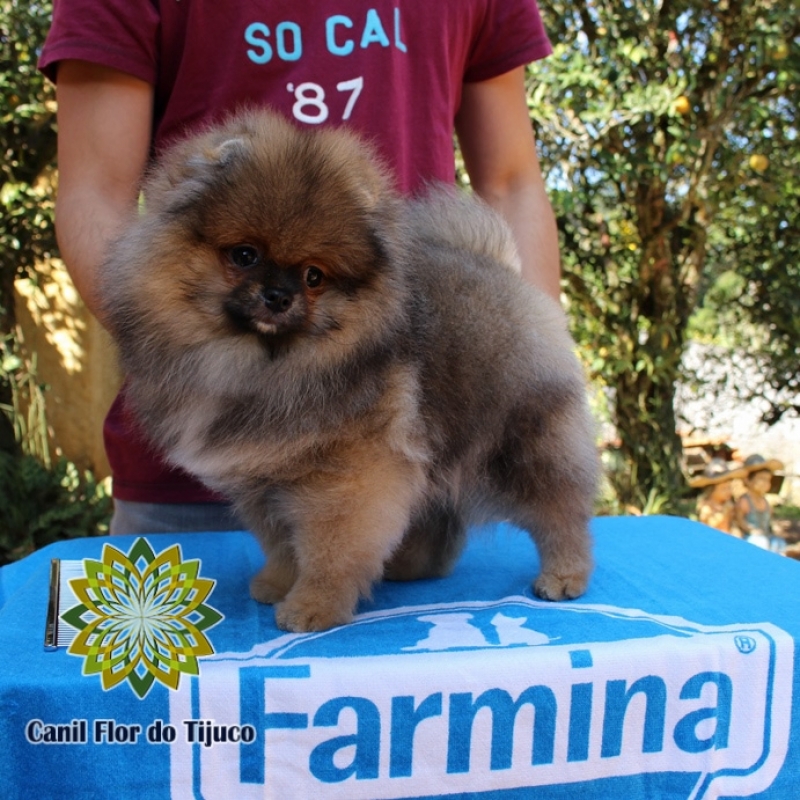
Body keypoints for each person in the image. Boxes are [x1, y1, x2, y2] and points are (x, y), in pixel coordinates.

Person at [39, 1, 562, 535]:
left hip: (417, 452)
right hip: (196, 475)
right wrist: (205, 376)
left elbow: (511, 183)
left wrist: (536, 366)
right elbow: (96, 192)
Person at [735, 454, 786, 552]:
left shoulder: (766, 502)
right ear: (748, 481)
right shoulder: (744, 501)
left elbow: (769, 521)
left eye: (768, 480)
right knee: (760, 543)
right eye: (761, 479)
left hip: (766, 535)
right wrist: (751, 530)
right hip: (750, 538)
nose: (765, 483)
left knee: (779, 543)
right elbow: (740, 521)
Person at [690, 458, 747, 536]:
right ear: (711, 490)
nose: (728, 492)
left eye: (729, 488)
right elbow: (707, 528)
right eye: (723, 489)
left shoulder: (728, 504)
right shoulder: (706, 507)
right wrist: (724, 512)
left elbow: (732, 523)